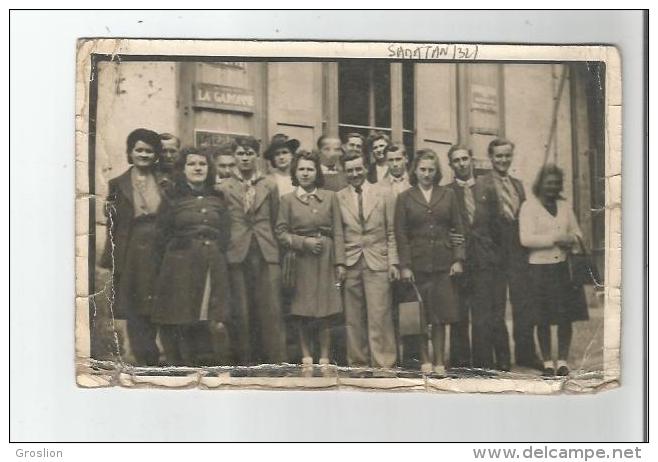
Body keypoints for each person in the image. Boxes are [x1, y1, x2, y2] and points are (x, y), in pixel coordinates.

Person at [152, 147, 232, 366]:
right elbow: (161, 234)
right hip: (181, 265)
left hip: (212, 263)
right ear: (183, 168)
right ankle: (182, 366)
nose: (198, 168)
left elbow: (226, 233)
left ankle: (211, 367)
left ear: (209, 168)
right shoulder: (172, 197)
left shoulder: (218, 197)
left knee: (213, 317)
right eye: (192, 164)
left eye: (202, 164)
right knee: (182, 316)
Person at [99, 128, 168, 366]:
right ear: (130, 152)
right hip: (132, 250)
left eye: (149, 151)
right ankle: (143, 356)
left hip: (160, 249)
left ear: (156, 154)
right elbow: (112, 223)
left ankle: (162, 354)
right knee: (135, 305)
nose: (144, 155)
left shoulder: (165, 181)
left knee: (158, 302)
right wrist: (111, 257)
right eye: (139, 150)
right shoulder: (117, 184)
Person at [218, 137, 287, 365]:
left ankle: (275, 361)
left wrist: (277, 250)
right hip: (237, 251)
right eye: (240, 153)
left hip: (266, 250)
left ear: (256, 156)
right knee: (242, 308)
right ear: (234, 156)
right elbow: (224, 221)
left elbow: (277, 219)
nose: (245, 158)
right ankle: (245, 361)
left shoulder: (269, 184)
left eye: (249, 153)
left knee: (270, 308)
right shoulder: (225, 187)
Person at [394, 149, 464, 375]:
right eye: (422, 169)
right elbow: (401, 235)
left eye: (431, 170)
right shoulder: (404, 198)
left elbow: (458, 228)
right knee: (418, 313)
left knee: (441, 314)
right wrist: (405, 266)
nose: (426, 174)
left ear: (437, 172)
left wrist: (458, 258)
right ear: (415, 170)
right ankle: (424, 360)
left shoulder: (448, 195)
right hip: (417, 263)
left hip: (443, 263)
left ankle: (440, 362)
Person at [276, 150, 346, 369]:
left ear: (317, 172)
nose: (306, 173)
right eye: (301, 169)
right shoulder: (287, 200)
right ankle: (306, 355)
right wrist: (302, 243)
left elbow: (338, 231)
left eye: (310, 169)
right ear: (295, 173)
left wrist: (340, 262)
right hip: (301, 260)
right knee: (302, 309)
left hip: (326, 257)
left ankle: (324, 355)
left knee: (325, 311)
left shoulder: (330, 197)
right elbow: (280, 232)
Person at [479, 138, 542, 371]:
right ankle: (503, 356)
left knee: (523, 304)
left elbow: (524, 219)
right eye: (499, 156)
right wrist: (490, 253)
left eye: (507, 156)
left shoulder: (518, 185)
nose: (503, 160)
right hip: (495, 253)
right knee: (497, 307)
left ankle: (526, 354)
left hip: (518, 252)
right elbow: (480, 225)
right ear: (491, 158)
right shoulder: (482, 184)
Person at [519, 164, 588, 377]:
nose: (552, 187)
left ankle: (563, 362)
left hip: (563, 269)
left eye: (556, 183)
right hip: (539, 270)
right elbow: (525, 239)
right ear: (540, 184)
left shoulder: (565, 206)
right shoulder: (529, 207)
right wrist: (555, 239)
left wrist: (573, 239)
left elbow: (577, 233)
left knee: (565, 317)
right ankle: (548, 362)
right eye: (549, 183)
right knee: (543, 318)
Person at [336, 151, 399, 370]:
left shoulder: (384, 193)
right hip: (351, 261)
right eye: (350, 170)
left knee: (380, 316)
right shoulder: (339, 197)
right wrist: (340, 263)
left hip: (378, 260)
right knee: (353, 318)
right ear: (344, 172)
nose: (355, 173)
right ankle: (358, 365)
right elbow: (338, 233)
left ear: (365, 168)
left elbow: (391, 230)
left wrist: (393, 262)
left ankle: (384, 366)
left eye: (358, 168)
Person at [446, 145, 501, 370]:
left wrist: (493, 254)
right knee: (459, 314)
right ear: (451, 165)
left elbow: (496, 226)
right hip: (458, 261)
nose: (461, 163)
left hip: (483, 260)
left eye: (465, 159)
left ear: (471, 160)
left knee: (482, 314)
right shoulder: (447, 192)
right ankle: (459, 364)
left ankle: (483, 363)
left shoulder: (486, 189)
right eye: (456, 160)